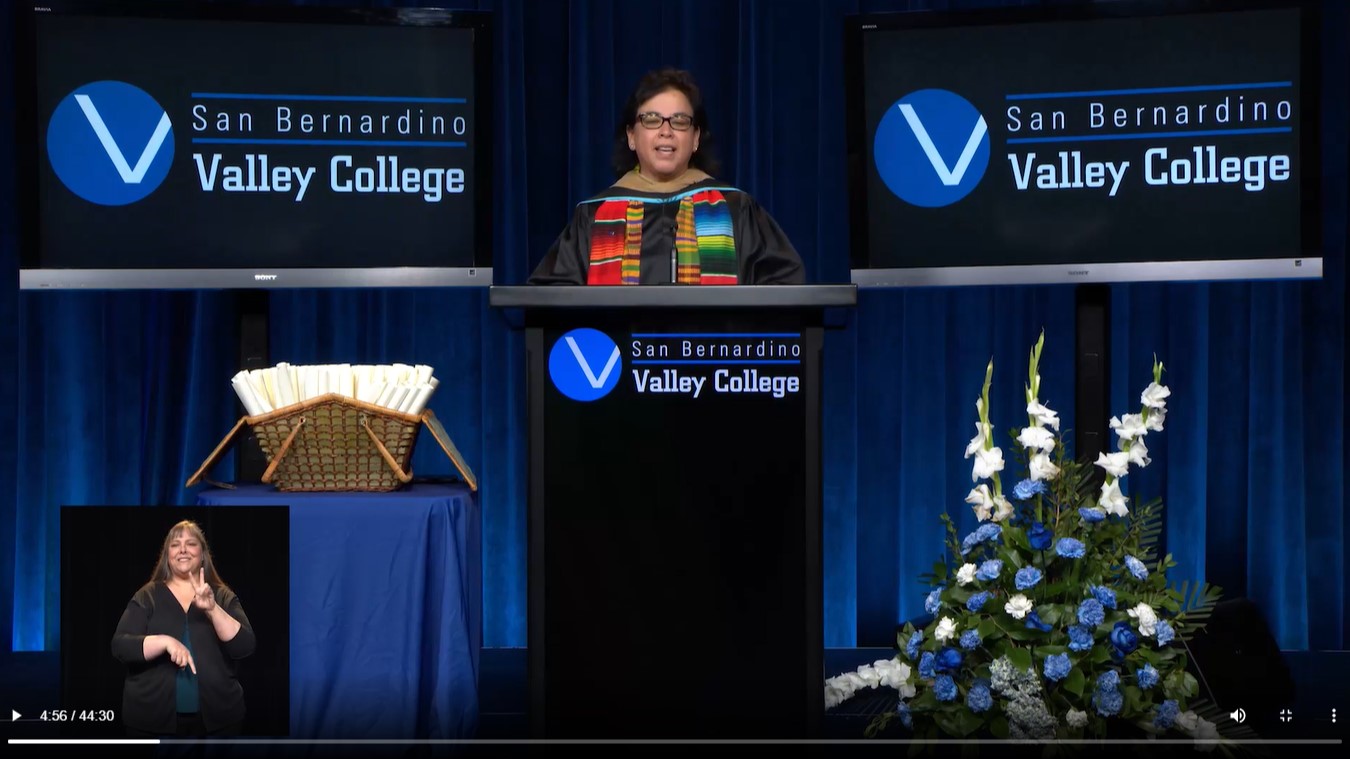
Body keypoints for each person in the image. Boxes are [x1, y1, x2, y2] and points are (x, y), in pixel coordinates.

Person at [529, 67, 805, 285]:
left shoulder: (735, 209)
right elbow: (553, 298)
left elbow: (783, 285)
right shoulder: (596, 215)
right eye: (651, 119)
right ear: (631, 136)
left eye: (679, 121)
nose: (666, 131)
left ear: (695, 138)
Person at [110, 520, 255, 737]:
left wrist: (213, 609)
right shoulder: (147, 595)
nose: (183, 550)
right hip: (151, 722)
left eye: (191, 544)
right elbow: (120, 646)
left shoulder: (222, 595)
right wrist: (164, 642)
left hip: (220, 722)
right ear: (167, 555)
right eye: (175, 544)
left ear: (203, 554)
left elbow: (244, 646)